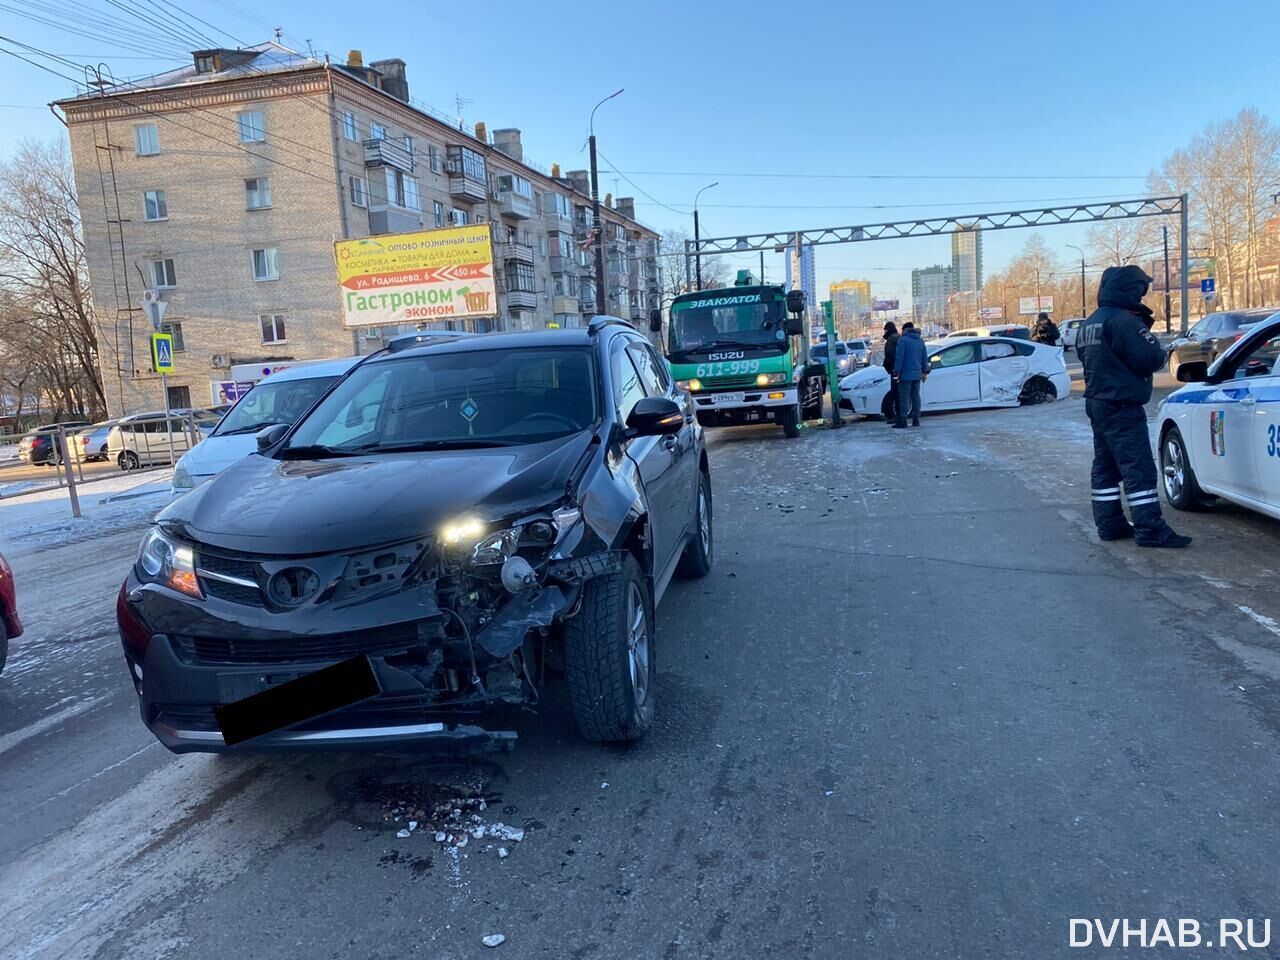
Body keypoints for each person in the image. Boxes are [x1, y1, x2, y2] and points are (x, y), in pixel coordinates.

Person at [1078, 264, 1191, 548]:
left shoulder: (1089, 322)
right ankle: (1151, 530)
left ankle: (1110, 524)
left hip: (1098, 403)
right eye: (1139, 292)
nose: (1141, 298)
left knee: (1105, 467)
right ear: (1129, 290)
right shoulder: (1124, 321)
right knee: (1137, 468)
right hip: (1122, 404)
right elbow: (1149, 358)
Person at [892, 322, 929, 428]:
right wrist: (924, 371)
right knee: (915, 396)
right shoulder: (920, 341)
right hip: (917, 374)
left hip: (905, 375)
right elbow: (924, 358)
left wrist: (896, 370)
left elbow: (900, 358)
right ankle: (916, 419)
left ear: (905, 330)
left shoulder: (903, 340)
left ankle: (903, 420)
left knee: (904, 398)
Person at [881, 321, 900, 425]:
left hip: (894, 370)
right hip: (900, 369)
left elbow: (890, 356)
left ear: (887, 330)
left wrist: (888, 367)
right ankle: (901, 416)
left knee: (895, 393)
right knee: (900, 394)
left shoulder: (891, 340)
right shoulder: (899, 337)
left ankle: (897, 417)